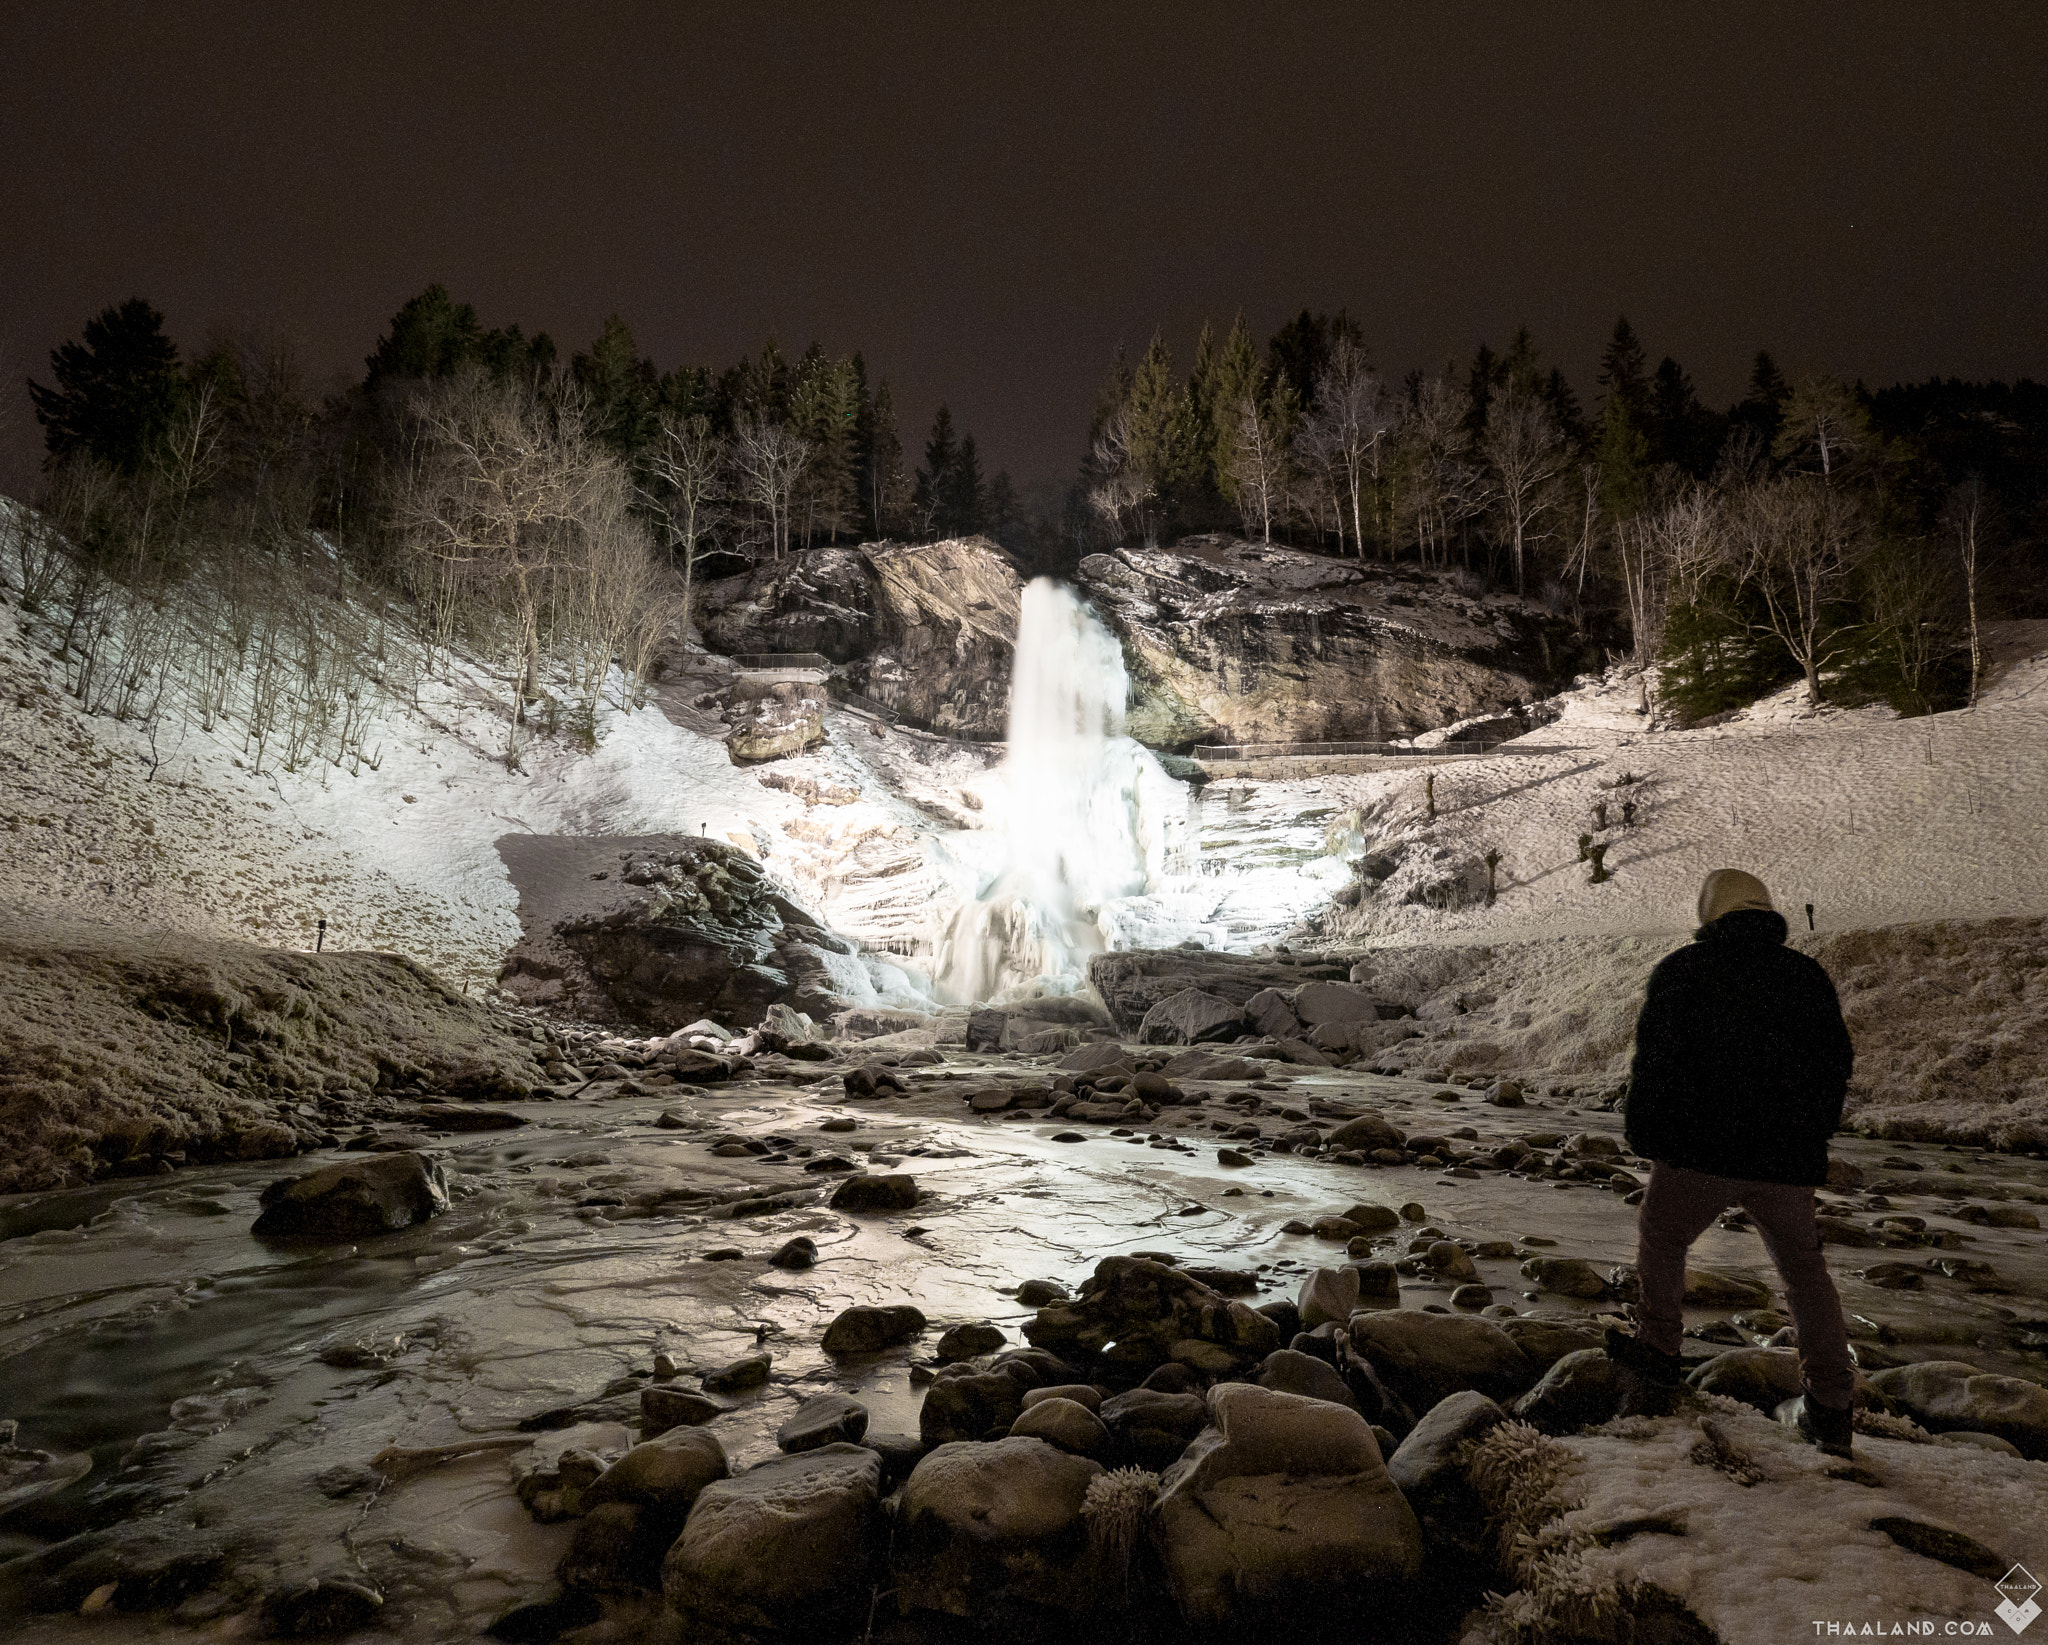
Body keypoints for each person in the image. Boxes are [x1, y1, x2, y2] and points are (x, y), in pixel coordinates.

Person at [1605, 868, 1859, 1455]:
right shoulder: (1806, 974)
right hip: (1783, 1159)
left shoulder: (1684, 970)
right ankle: (1832, 1405)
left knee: (1662, 1237)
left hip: (1699, 1150)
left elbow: (1656, 1062)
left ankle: (1660, 1350)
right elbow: (1835, 1064)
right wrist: (1812, 1137)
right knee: (1804, 1274)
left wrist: (1645, 1134)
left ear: (1709, 914)